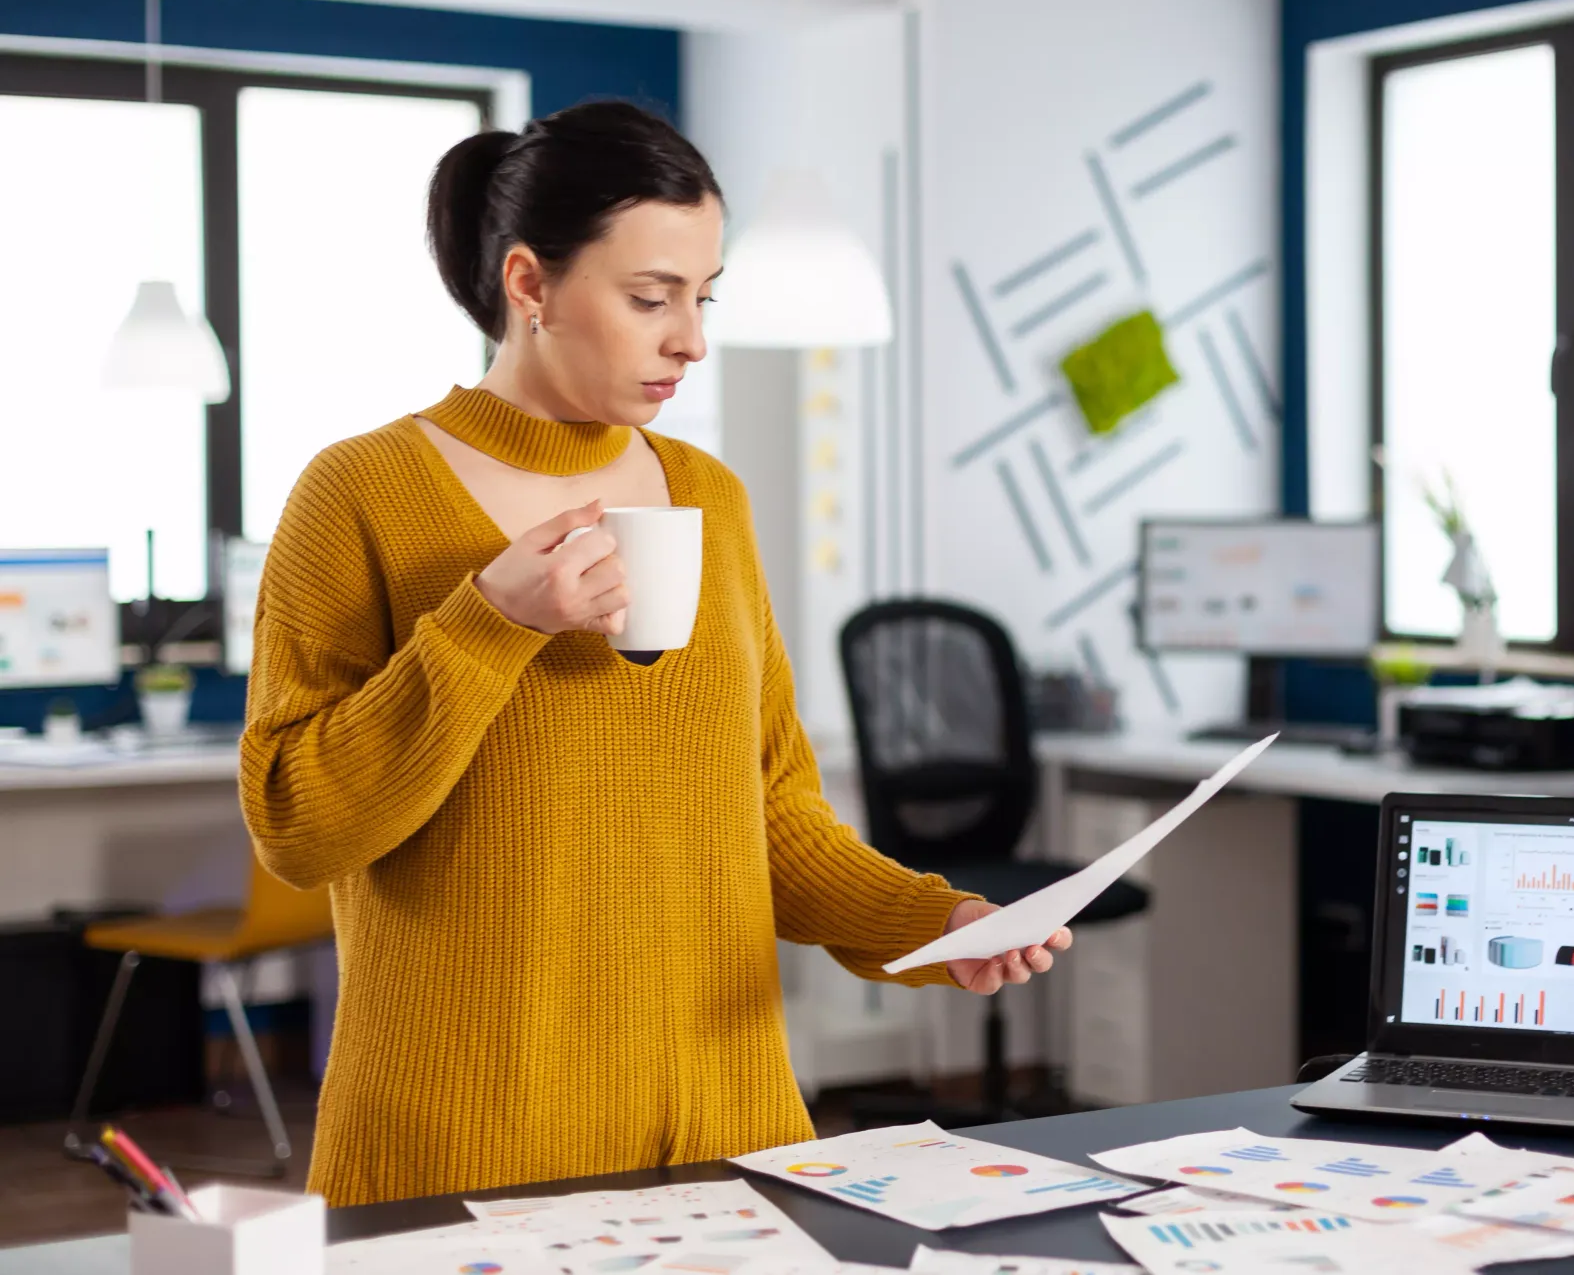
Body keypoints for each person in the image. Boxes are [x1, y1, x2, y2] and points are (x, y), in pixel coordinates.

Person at [239, 100, 1067, 1207]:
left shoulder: (708, 499)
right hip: (471, 1140)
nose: (691, 339)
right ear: (529, 286)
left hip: (726, 1129)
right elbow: (300, 825)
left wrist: (938, 921)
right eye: (649, 297)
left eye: (702, 296)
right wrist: (491, 622)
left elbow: (768, 814)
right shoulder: (360, 493)